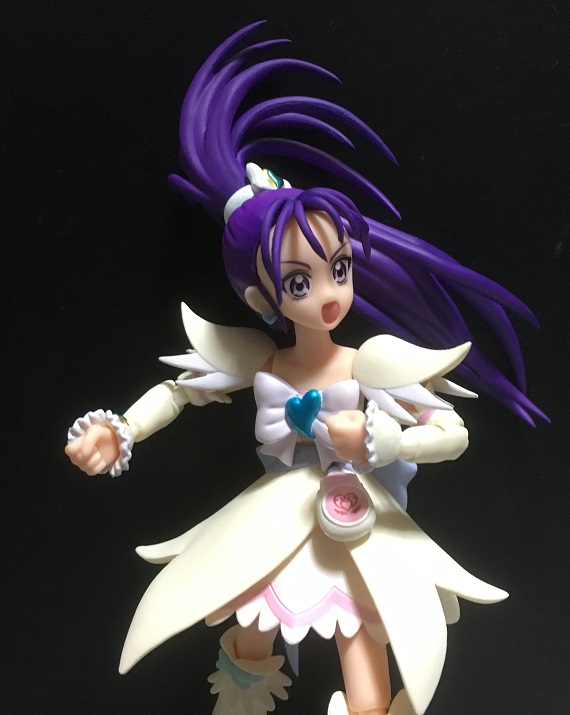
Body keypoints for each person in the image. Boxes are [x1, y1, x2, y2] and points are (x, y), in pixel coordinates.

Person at [65, 22, 545, 715]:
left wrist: (383, 441)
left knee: (365, 658)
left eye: (338, 269)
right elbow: (179, 390)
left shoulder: (373, 363)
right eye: (300, 280)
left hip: (359, 529)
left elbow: (453, 434)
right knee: (247, 643)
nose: (327, 293)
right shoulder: (258, 359)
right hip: (273, 525)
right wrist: (122, 431)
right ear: (263, 297)